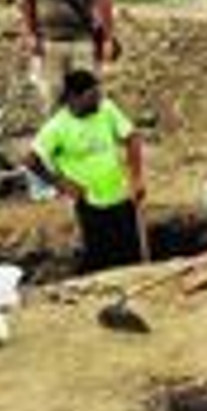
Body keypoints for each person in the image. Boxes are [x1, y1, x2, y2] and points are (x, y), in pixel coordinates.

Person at [25, 69, 146, 273]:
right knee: (102, 256)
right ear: (74, 98)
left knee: (130, 253)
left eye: (98, 95)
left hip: (122, 195)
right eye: (92, 97)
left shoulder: (106, 109)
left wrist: (137, 178)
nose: (98, 101)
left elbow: (132, 138)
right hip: (90, 203)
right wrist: (62, 184)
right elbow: (31, 160)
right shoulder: (57, 127)